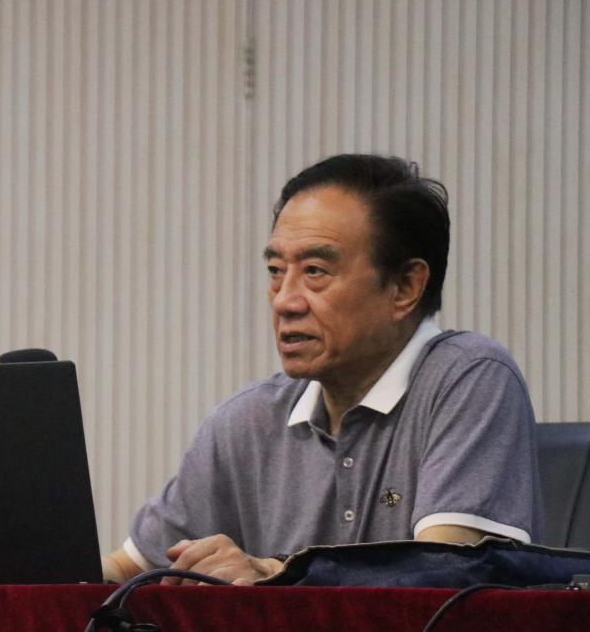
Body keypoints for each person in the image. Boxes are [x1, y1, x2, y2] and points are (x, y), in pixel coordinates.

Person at [101, 154, 543, 585]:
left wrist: (276, 574)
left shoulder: (469, 377)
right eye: (276, 270)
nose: (284, 301)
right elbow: (126, 571)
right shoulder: (249, 420)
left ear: (405, 286)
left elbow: (445, 573)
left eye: (315, 271)